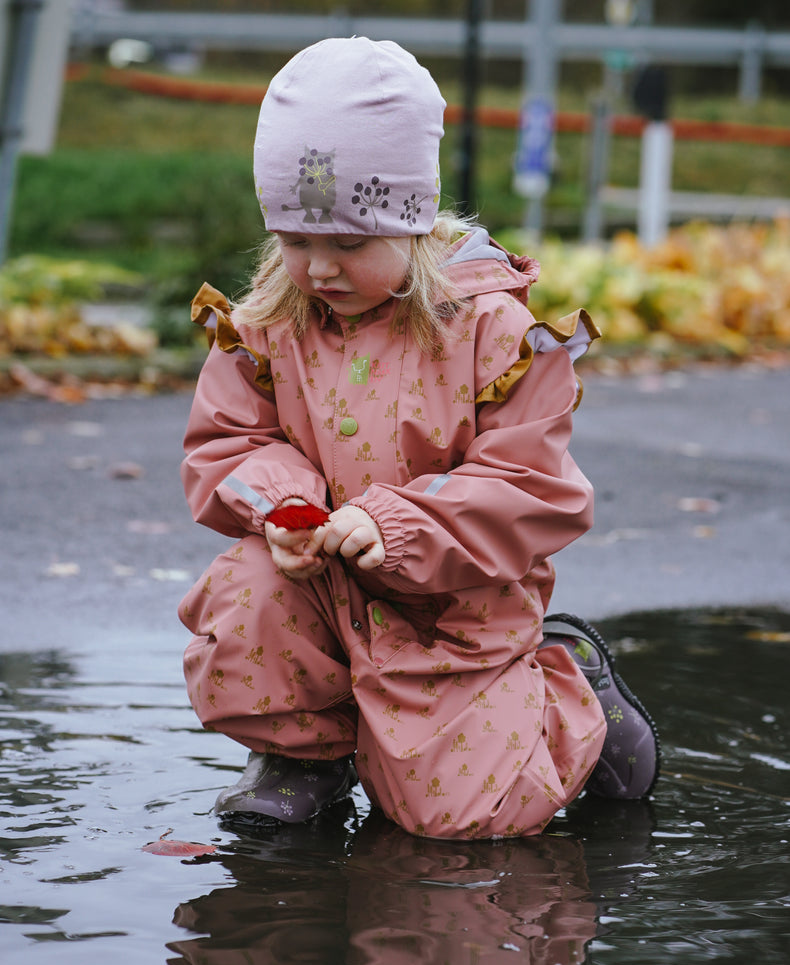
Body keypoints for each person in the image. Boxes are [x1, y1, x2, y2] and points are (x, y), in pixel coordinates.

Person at [178, 37, 659, 840]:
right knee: (247, 592)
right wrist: (284, 509)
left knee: (457, 819)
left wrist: (400, 523)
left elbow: (529, 486)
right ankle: (306, 759)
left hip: (454, 603)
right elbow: (229, 439)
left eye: (348, 244)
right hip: (323, 586)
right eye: (297, 242)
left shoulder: (494, 331)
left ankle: (571, 703)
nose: (319, 269)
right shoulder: (267, 324)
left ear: (413, 220)